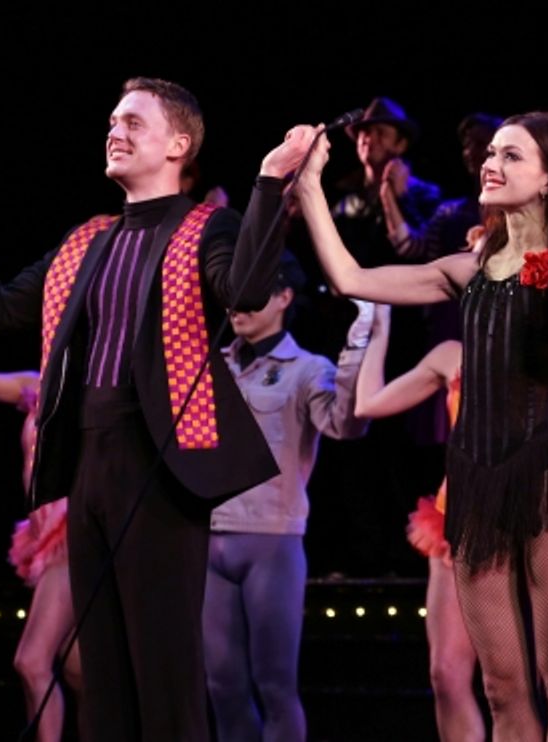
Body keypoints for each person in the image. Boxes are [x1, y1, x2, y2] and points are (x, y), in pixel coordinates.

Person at [0, 77, 314, 740]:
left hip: (161, 463)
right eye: (112, 120)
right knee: (98, 671)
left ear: (179, 144)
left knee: (163, 669)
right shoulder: (88, 241)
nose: (116, 130)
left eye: (134, 122)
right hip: (89, 460)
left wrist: (270, 184)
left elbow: (246, 289)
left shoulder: (206, 225)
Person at [296, 111, 548, 740]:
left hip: (546, 478)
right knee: (501, 686)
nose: (491, 162)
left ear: (546, 180)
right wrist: (309, 185)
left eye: (512, 156)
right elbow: (350, 278)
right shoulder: (467, 269)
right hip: (475, 485)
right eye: (492, 152)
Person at [204, 254, 371, 742]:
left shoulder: (306, 370)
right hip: (209, 539)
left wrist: (361, 346)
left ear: (283, 298)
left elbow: (345, 424)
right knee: (221, 686)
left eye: (254, 290)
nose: (238, 303)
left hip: (271, 542)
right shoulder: (212, 365)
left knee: (274, 685)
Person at [0, 367, 76, 742]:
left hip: (72, 536)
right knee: (79, 672)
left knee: (32, 660)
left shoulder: (91, 392)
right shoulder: (41, 385)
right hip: (47, 537)